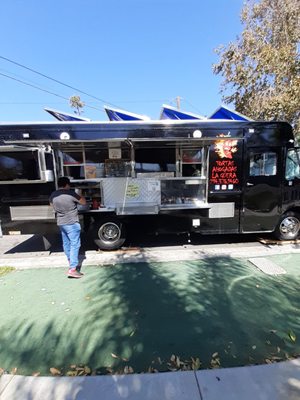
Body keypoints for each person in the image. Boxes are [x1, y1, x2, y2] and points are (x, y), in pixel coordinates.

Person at [50, 177, 86, 279]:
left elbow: (51, 204)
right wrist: (80, 194)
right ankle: (73, 269)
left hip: (61, 223)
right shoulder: (70, 193)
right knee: (75, 244)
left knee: (66, 244)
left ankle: (70, 262)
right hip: (72, 223)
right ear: (67, 184)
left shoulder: (53, 194)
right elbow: (83, 202)